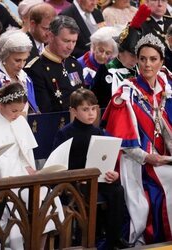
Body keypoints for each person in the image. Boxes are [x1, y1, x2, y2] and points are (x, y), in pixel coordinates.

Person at [102, 33, 172, 245]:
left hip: (165, 159)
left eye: (153, 59)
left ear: (161, 61)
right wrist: (150, 158)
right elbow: (124, 143)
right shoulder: (126, 93)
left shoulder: (167, 88)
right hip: (137, 162)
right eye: (142, 59)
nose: (147, 64)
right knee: (159, 190)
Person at [0, 83, 64, 249]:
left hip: (23, 176)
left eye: (20, 110)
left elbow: (25, 154)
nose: (17, 115)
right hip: (3, 181)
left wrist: (30, 168)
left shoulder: (20, 122)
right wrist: (6, 178)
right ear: (0, 105)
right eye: (13, 111)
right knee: (15, 214)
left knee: (47, 197)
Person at [52, 88, 129, 250]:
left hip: (95, 177)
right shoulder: (65, 133)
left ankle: (114, 237)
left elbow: (103, 159)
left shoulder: (98, 131)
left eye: (93, 109)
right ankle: (86, 239)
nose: (91, 113)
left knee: (117, 190)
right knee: (88, 193)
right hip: (74, 180)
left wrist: (112, 173)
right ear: (74, 111)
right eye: (85, 109)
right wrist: (74, 176)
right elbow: (57, 163)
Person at [92, 4, 151, 108]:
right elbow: (95, 101)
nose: (135, 61)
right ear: (120, 51)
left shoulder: (140, 71)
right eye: (132, 55)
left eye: (139, 57)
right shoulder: (106, 70)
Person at [25, 15, 84, 113]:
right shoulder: (35, 69)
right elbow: (46, 111)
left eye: (74, 41)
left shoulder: (74, 64)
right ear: (51, 36)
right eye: (66, 41)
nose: (70, 47)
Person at [0, 30, 39, 115]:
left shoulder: (26, 79)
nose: (21, 65)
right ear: (4, 57)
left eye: (24, 60)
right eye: (17, 60)